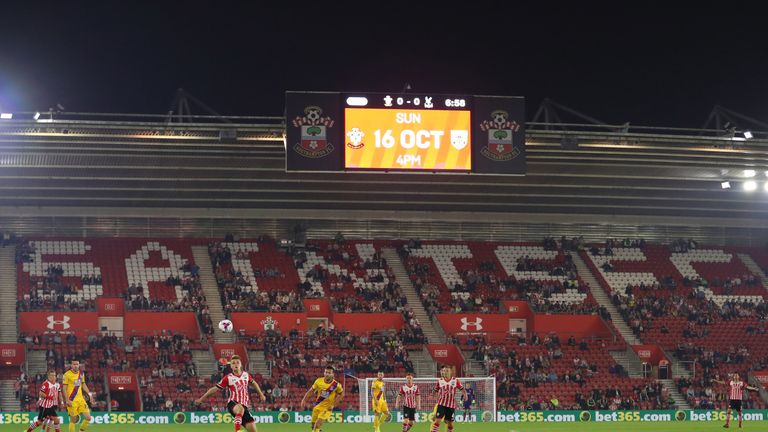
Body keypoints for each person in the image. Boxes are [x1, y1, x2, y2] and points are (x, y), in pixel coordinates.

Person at [195, 355, 266, 432]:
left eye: (237, 363)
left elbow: (254, 383)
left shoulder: (246, 375)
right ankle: (237, 430)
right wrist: (202, 398)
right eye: (233, 363)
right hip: (233, 403)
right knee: (240, 409)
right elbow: (214, 389)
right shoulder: (228, 378)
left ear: (241, 365)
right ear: (231, 366)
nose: (236, 364)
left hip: (245, 406)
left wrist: (261, 394)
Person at [300, 365, 344, 432]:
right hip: (317, 407)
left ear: (333, 374)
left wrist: (333, 405)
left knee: (317, 425)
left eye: (329, 373)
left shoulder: (336, 385)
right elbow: (311, 391)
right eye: (326, 372)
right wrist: (304, 400)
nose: (327, 374)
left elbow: (342, 394)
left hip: (327, 408)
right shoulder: (318, 381)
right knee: (313, 426)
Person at [430, 366, 467, 432]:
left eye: (447, 371)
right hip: (441, 404)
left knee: (450, 424)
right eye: (444, 371)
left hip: (451, 406)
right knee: (437, 421)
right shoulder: (440, 381)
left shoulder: (455, 381)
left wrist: (465, 395)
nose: (445, 372)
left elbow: (462, 389)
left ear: (450, 372)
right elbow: (435, 390)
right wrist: (434, 395)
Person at [62, 360, 93, 432]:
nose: (75, 366)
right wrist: (67, 400)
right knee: (73, 420)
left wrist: (90, 395)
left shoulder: (81, 373)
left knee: (88, 418)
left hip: (81, 400)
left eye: (77, 364)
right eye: (74, 364)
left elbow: (83, 384)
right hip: (72, 400)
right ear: (71, 365)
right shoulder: (67, 375)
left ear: (79, 365)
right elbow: (64, 388)